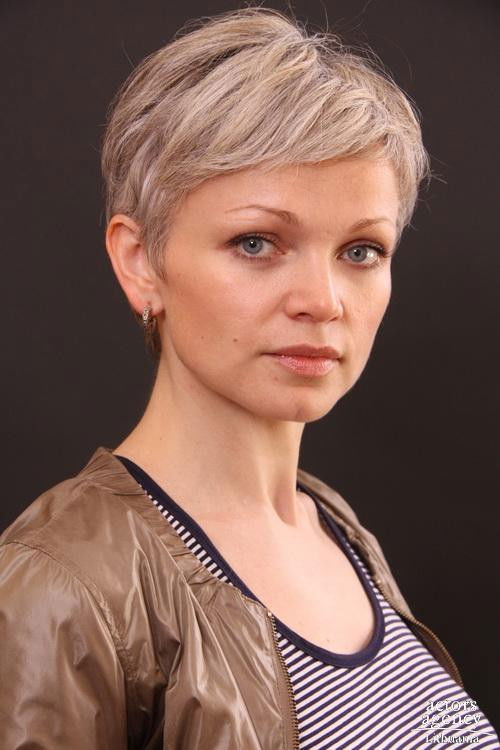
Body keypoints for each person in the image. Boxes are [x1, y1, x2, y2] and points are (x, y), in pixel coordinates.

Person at [0, 7, 498, 749]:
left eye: (361, 251)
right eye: (258, 243)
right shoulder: (60, 586)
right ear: (140, 261)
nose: (323, 301)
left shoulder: (337, 529)